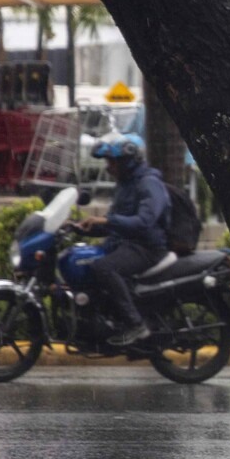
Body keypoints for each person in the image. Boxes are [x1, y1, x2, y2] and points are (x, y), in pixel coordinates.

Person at [77, 133, 171, 346]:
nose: (109, 167)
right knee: (84, 260)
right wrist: (81, 228)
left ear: (128, 161)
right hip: (126, 244)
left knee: (104, 267)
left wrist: (106, 221)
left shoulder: (149, 183)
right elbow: (115, 225)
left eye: (113, 162)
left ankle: (136, 325)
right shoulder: (125, 185)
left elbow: (144, 222)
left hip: (147, 247)